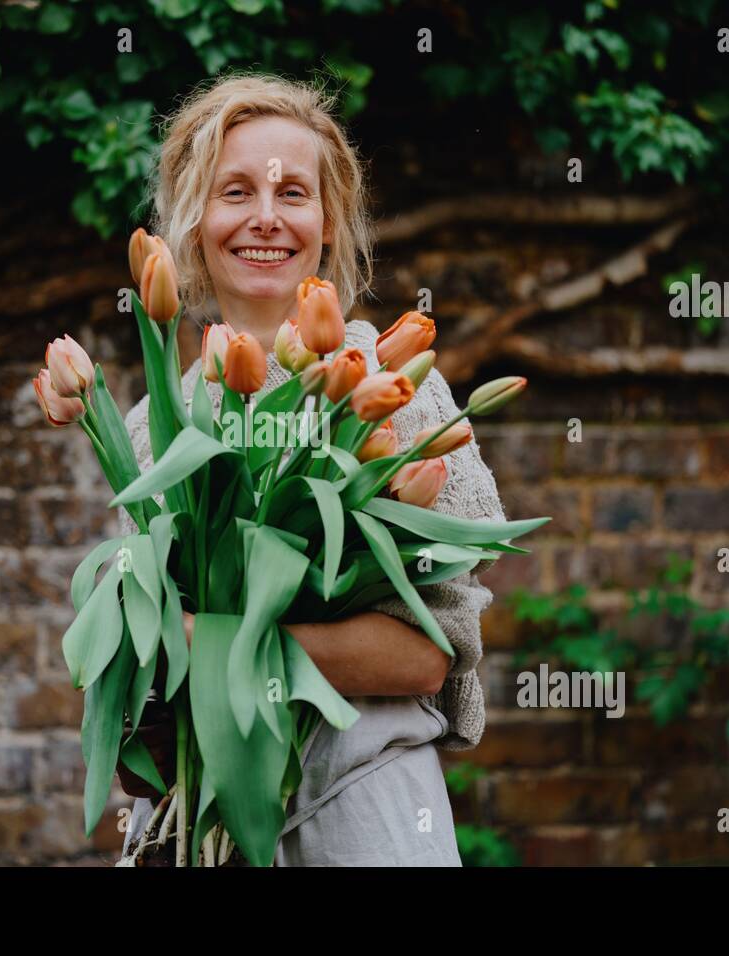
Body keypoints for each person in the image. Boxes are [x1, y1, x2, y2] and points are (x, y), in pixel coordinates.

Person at [114, 73, 507, 866]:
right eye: (235, 192)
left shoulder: (393, 392)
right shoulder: (154, 431)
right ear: (193, 225)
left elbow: (427, 654)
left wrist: (220, 641)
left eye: (294, 192)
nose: (265, 217)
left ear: (328, 225)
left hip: (363, 825)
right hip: (199, 834)